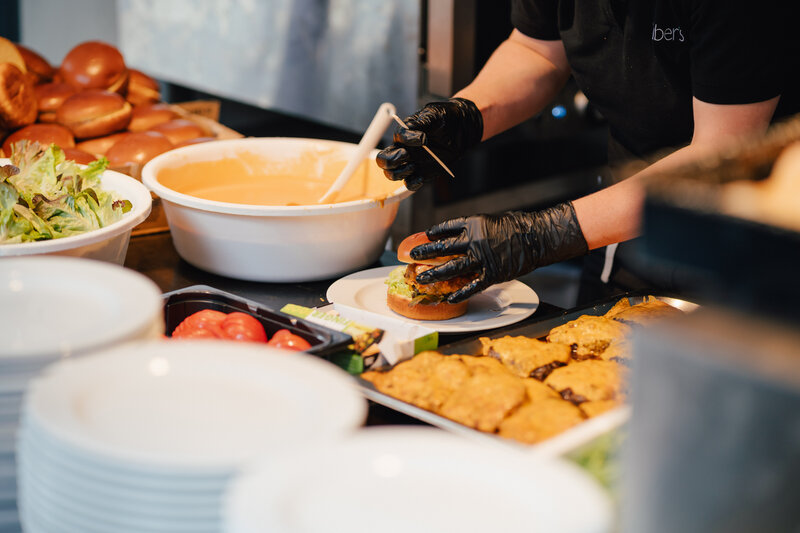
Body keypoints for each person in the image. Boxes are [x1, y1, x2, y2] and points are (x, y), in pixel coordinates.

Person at [376, 0, 799, 304]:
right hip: (624, 213)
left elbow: (719, 154)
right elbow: (536, 49)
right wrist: (466, 116)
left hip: (756, 240)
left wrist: (541, 235)